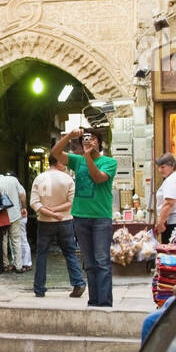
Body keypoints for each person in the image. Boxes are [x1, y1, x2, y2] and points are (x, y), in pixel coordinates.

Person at [50, 125, 118, 307]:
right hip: (81, 216)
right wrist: (69, 136)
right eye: (86, 139)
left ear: (99, 142)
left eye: (93, 139)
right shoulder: (77, 160)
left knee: (102, 260)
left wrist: (88, 155)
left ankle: (104, 302)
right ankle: (93, 301)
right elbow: (55, 153)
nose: (89, 141)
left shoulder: (109, 162)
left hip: (101, 217)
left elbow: (98, 178)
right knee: (89, 262)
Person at [29, 154, 86, 298]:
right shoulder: (68, 179)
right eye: (64, 162)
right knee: (70, 253)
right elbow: (72, 201)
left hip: (44, 221)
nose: (66, 165)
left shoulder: (39, 178)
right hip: (65, 221)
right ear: (59, 162)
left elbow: (34, 203)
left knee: (41, 255)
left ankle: (39, 288)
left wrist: (49, 212)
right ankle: (78, 282)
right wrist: (57, 212)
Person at [0, 167, 30, 272]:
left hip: (2, 216)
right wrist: (24, 207)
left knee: (3, 240)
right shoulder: (13, 180)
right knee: (16, 240)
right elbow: (22, 194)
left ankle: (5, 264)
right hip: (15, 214)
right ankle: (18, 265)